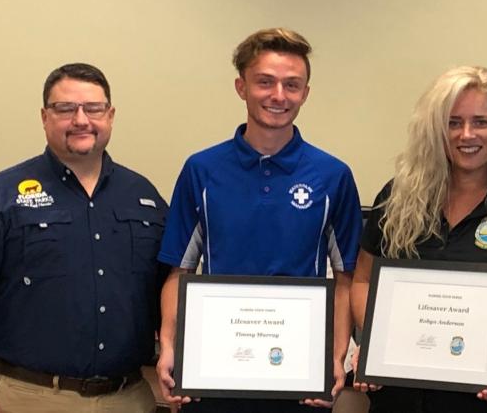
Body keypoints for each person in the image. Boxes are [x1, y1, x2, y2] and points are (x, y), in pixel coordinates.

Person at [155, 27, 362, 413]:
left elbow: (346, 276)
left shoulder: (333, 175)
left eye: (292, 85)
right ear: (241, 86)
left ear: (305, 93)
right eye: (265, 82)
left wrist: (334, 357)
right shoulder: (201, 170)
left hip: (301, 377)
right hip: (214, 372)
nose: (279, 96)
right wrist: (169, 345)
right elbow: (179, 272)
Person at [0, 63, 168, 413]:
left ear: (110, 115)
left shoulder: (144, 197)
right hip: (26, 397)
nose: (81, 119)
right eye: (65, 109)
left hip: (128, 397)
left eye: (93, 108)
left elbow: (167, 289)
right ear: (45, 116)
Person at [351, 66, 487, 412]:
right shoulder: (398, 198)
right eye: (453, 122)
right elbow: (363, 280)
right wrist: (376, 338)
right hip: (401, 395)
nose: (466, 134)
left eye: (481, 122)